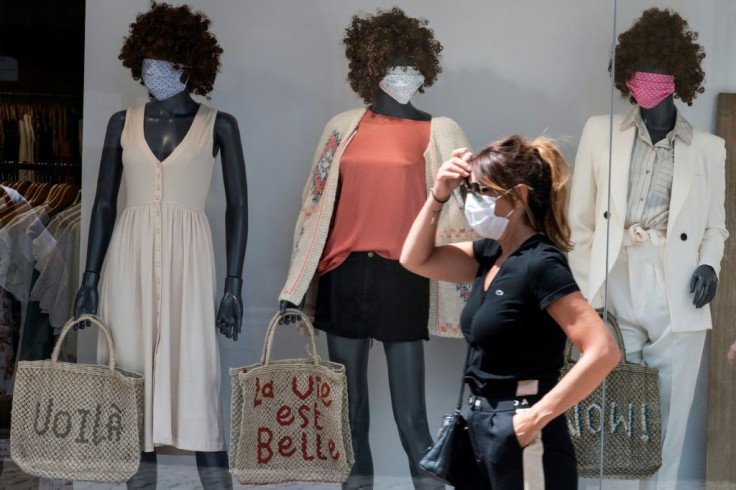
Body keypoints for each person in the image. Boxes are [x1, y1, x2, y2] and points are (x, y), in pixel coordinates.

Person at [278, 8, 473, 489]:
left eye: (412, 65)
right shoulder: (343, 127)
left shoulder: (439, 130)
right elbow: (314, 203)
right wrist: (295, 285)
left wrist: (481, 280)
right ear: (371, 68)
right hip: (343, 275)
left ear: (425, 69)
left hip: (402, 278)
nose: (403, 74)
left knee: (413, 420)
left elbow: (466, 211)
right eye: (393, 64)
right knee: (350, 419)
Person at [73, 3, 247, 488]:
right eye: (147, 62)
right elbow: (104, 205)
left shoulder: (221, 124)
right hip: (126, 262)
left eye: (165, 62)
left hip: (191, 264)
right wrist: (90, 277)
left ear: (189, 66)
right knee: (130, 385)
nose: (153, 71)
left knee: (198, 382)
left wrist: (233, 284)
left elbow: (238, 209)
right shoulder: (120, 122)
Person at [401, 135, 620, 489]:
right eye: (468, 191)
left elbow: (603, 352)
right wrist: (439, 195)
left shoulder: (542, 264)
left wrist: (533, 419)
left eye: (482, 192)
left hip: (522, 426)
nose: (472, 200)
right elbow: (415, 259)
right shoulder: (490, 254)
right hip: (479, 423)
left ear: (518, 197)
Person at [568, 8, 727, 488]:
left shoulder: (709, 148)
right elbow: (578, 224)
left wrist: (708, 265)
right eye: (640, 72)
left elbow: (715, 227)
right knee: (606, 418)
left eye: (660, 72)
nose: (649, 82)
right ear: (627, 77)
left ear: (680, 78)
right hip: (614, 282)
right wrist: (583, 296)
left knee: (667, 425)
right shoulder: (601, 132)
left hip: (676, 289)